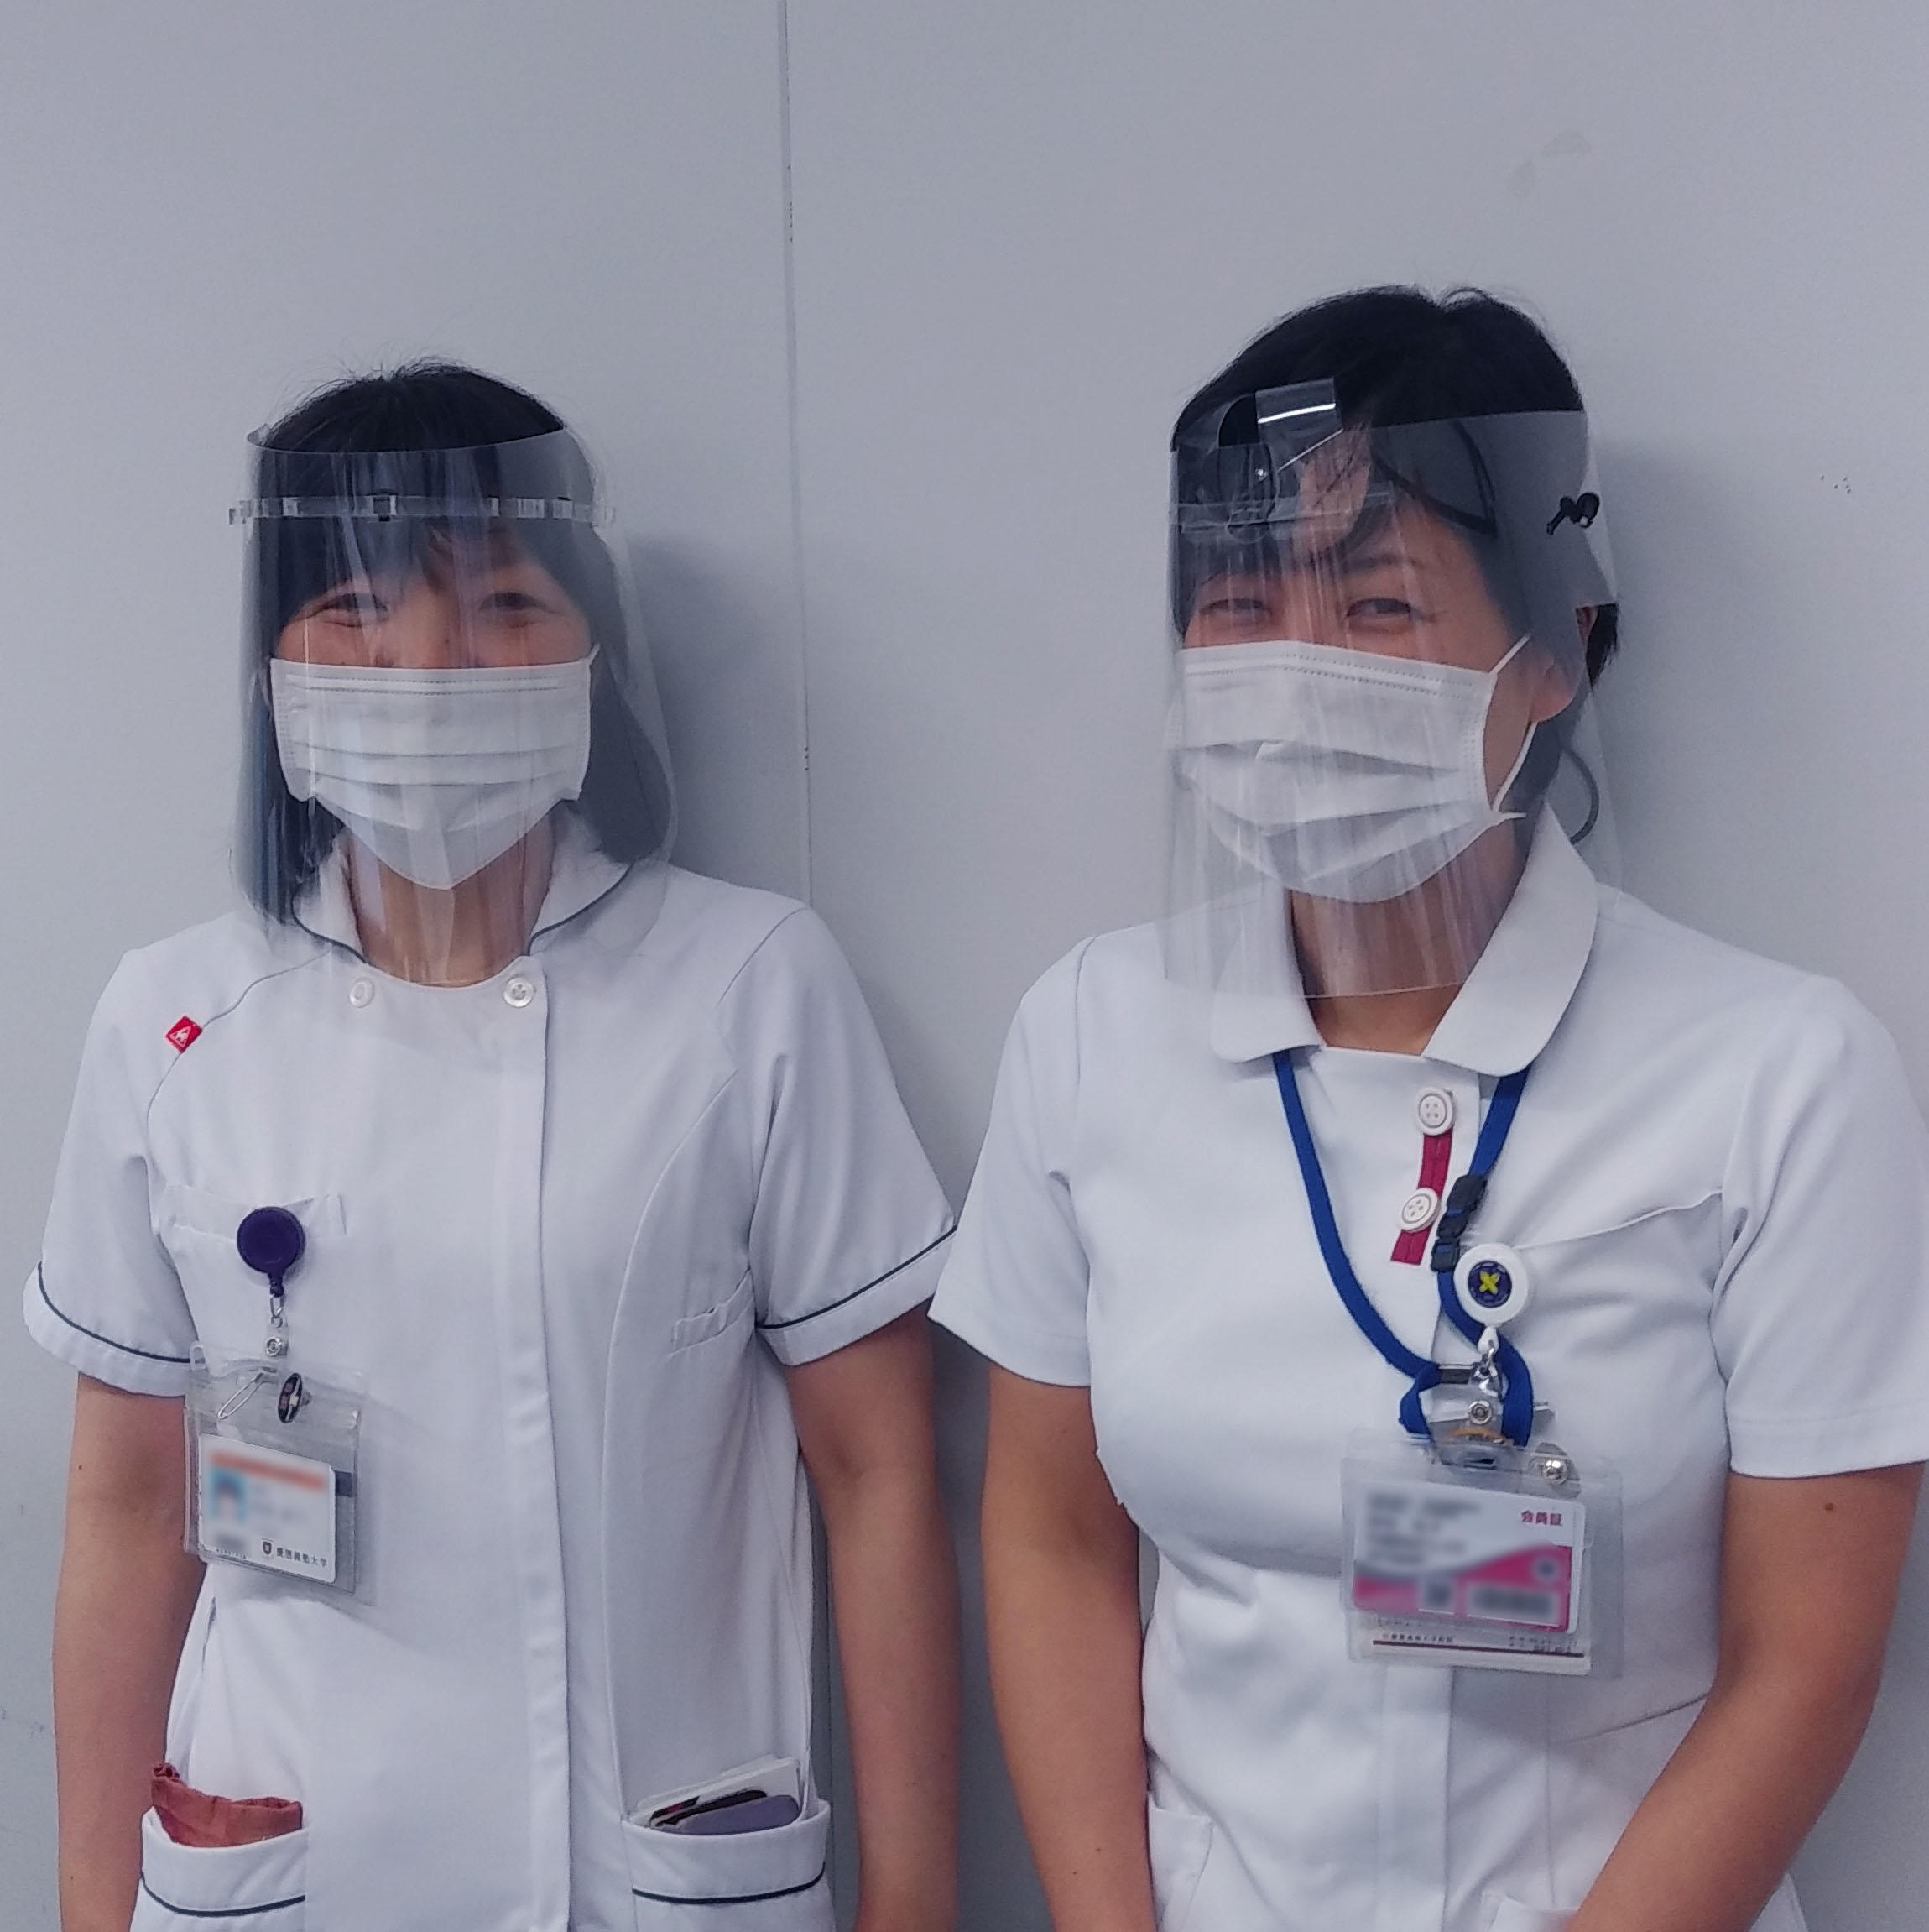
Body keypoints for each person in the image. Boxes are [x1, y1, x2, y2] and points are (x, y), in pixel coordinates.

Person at [931, 288, 1929, 1932]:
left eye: (1377, 601)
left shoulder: (1778, 1072)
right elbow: (1048, 1539)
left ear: (1555, 650)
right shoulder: (1092, 1031)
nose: (1295, 668)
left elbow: (1803, 1666)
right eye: (1237, 602)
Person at [30, 363, 959, 1932]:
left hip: (643, 1862)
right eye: (355, 610)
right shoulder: (174, 1020)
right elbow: (126, 1509)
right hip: (290, 1860)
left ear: (594, 655)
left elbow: (878, 1475)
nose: (425, 668)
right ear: (270, 672)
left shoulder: (749, 984)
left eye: (503, 605)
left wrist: (915, 1905)